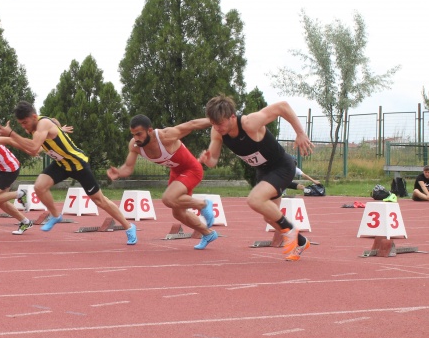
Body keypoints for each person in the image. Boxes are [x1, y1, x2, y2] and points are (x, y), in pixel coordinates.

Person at [0, 100, 137, 245]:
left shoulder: (42, 123)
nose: (24, 126)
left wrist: (10, 135)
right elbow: (35, 149)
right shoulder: (33, 127)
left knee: (100, 200)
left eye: (25, 122)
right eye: (21, 124)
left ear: (34, 116)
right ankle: (56, 215)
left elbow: (33, 146)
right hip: (61, 164)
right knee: (39, 186)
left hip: (77, 164)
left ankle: (129, 227)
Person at [199, 95, 314, 261]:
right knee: (269, 216)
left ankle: (290, 231)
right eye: (213, 124)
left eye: (220, 123)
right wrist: (207, 159)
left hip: (282, 166)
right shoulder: (217, 132)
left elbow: (282, 106)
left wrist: (300, 133)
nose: (217, 127)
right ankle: (301, 242)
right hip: (264, 171)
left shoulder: (249, 123)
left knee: (254, 199)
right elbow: (213, 160)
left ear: (232, 116)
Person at [107, 114, 217, 249]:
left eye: (139, 134)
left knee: (168, 198)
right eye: (133, 134)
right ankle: (208, 233)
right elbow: (128, 167)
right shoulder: (135, 145)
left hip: (192, 170)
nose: (136, 138)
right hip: (177, 173)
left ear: (150, 130)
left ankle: (203, 204)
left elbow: (191, 124)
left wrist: (216, 120)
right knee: (178, 213)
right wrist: (118, 172)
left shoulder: (165, 136)